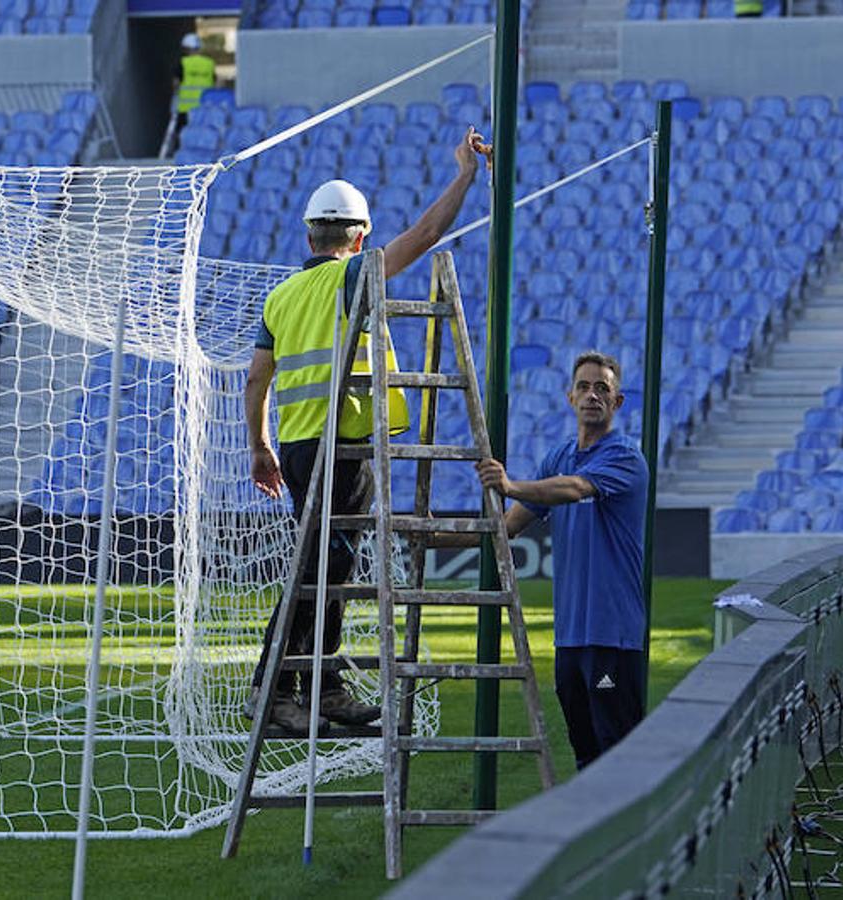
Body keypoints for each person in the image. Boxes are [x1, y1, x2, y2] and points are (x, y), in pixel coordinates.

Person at [242, 127, 486, 732]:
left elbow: (256, 381)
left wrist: (260, 447)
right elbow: (426, 236)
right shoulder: (351, 278)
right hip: (343, 443)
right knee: (322, 567)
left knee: (325, 565)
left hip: (298, 445)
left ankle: (320, 685)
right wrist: (463, 177)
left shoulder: (281, 296)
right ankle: (273, 691)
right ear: (360, 236)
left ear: (309, 234)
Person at [465, 351, 649, 769]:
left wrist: (510, 484)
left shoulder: (625, 458)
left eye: (602, 388)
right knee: (584, 752)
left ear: (617, 402)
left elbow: (573, 490)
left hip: (613, 636)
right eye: (583, 387)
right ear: (570, 397)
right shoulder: (559, 456)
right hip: (570, 637)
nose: (592, 395)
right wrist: (435, 538)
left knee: (618, 756)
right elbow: (508, 527)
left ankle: (629, 834)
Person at [171, 33, 215, 137]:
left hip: (186, 108)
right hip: (205, 108)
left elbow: (176, 84)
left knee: (185, 137)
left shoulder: (183, 63)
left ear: (186, 48)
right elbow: (216, 83)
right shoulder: (209, 63)